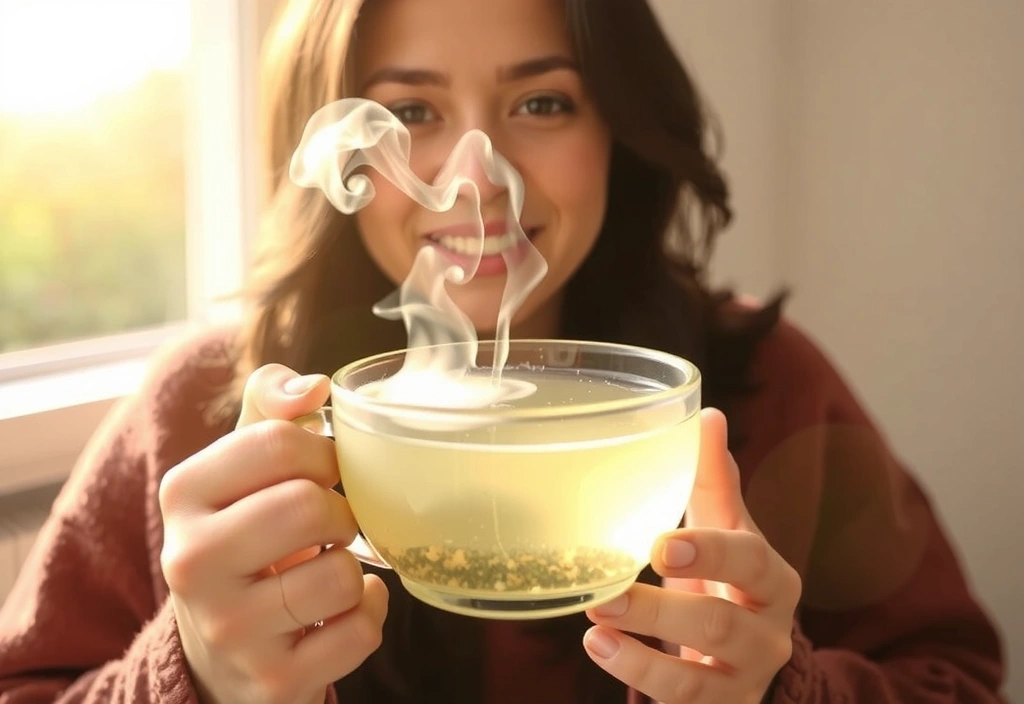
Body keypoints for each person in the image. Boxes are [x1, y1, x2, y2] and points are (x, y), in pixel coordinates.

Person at [0, 0, 1008, 702]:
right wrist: (198, 678)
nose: (476, 177)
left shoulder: (764, 381)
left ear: (619, 122)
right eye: (409, 113)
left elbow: (957, 676)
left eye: (541, 102)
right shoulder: (211, 413)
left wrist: (779, 690)